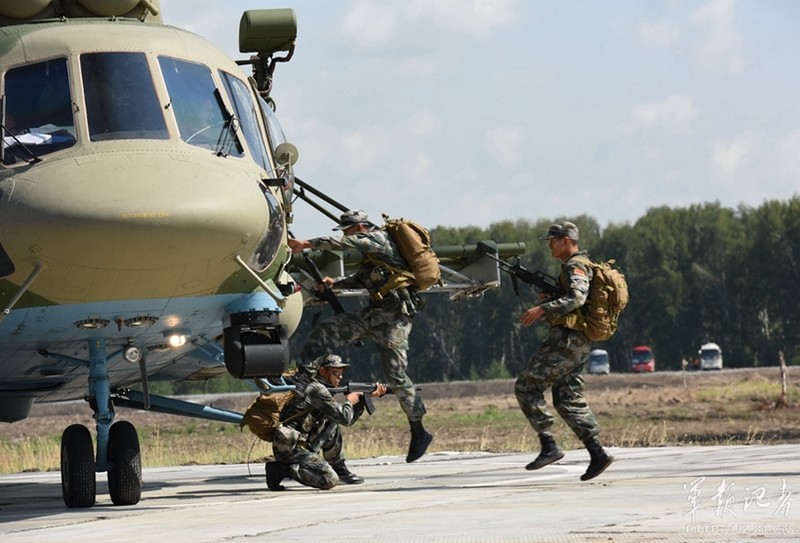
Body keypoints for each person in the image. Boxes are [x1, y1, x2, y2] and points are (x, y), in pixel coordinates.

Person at [288, 209, 433, 463]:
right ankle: (304, 379)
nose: (345, 233)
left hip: (395, 321)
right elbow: (362, 279)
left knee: (397, 375)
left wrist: (306, 244)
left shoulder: (377, 239)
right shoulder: (371, 258)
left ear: (358, 228)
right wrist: (336, 284)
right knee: (325, 331)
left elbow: (343, 243)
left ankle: (418, 429)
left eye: (347, 229)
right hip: (373, 316)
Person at [515, 221, 614, 481]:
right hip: (578, 341)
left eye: (554, 239)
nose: (550, 244)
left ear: (567, 240)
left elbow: (577, 298)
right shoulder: (576, 264)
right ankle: (597, 453)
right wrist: (551, 300)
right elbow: (573, 300)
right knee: (567, 398)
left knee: (526, 386)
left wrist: (542, 310)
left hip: (569, 340)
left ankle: (548, 444)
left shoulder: (575, 265)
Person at [265, 353, 387, 490]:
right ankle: (281, 470)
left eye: (341, 373)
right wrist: (349, 401)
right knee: (329, 479)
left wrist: (362, 401)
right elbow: (345, 418)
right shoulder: (317, 390)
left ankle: (339, 467)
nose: (340, 377)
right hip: (290, 447)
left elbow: (346, 419)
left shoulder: (322, 389)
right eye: (335, 373)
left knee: (331, 423)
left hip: (302, 440)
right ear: (322, 371)